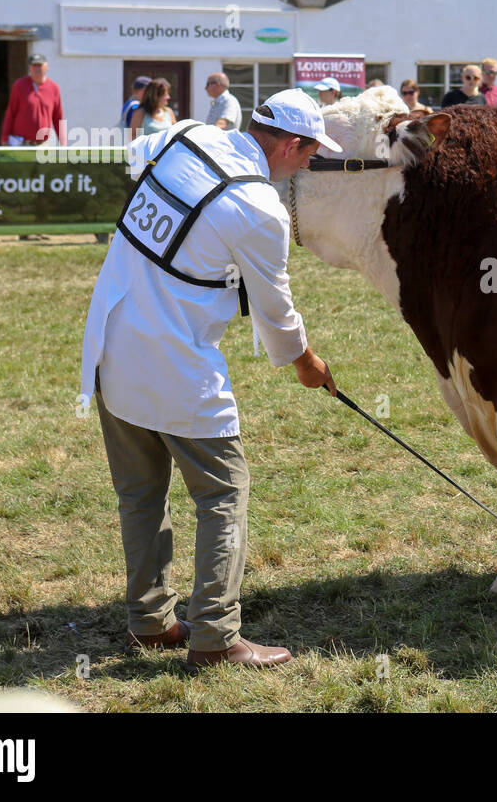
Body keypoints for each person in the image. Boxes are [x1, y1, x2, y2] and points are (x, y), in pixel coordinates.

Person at [80, 88, 340, 670]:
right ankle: (217, 638)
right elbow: (277, 315)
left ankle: (149, 622)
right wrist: (306, 363)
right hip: (177, 365)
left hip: (111, 342)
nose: (308, 165)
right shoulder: (260, 209)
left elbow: (135, 156)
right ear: (292, 144)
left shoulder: (186, 134)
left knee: (140, 495)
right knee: (223, 493)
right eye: (310, 154)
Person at [0, 53, 65, 146]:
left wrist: (62, 141)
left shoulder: (54, 88)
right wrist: (4, 137)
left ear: (46, 66)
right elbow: (11, 112)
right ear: (29, 68)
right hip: (22, 143)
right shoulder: (19, 85)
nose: (37, 69)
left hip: (43, 144)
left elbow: (58, 117)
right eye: (34, 65)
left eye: (40, 65)